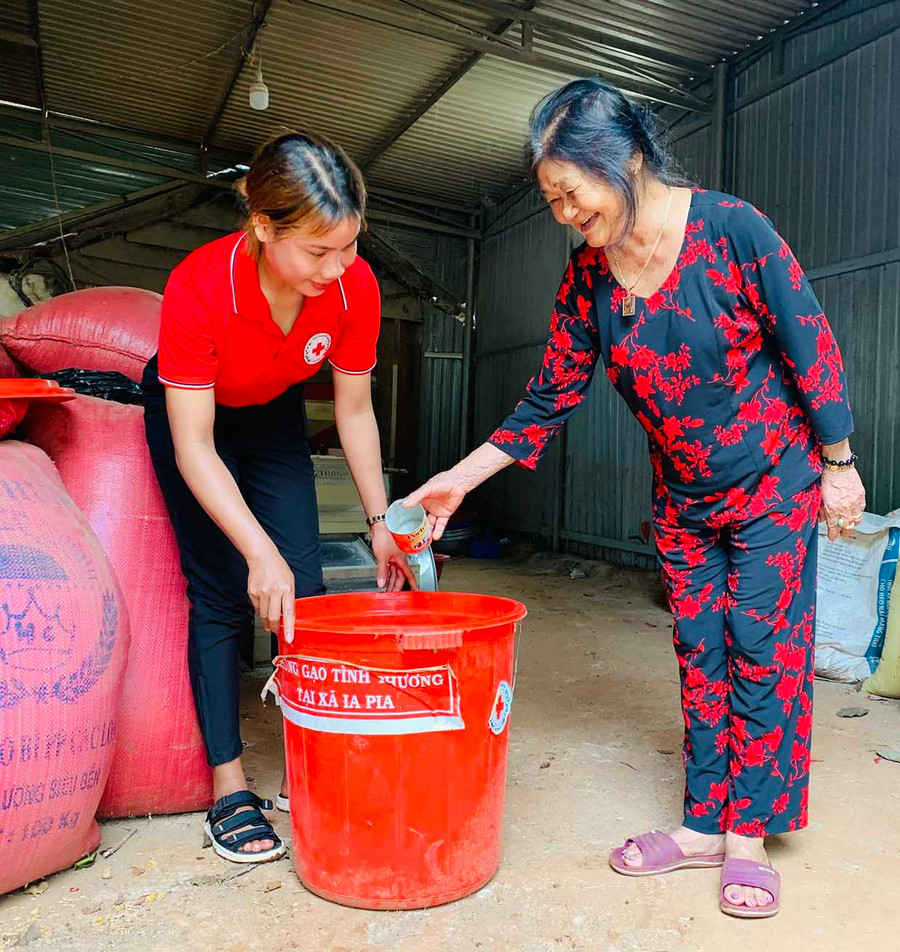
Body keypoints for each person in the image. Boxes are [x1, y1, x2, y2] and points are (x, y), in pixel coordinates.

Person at [405, 79, 866, 918]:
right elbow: (551, 393)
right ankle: (701, 824)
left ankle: (748, 837)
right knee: (700, 652)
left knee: (761, 646)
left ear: (623, 160)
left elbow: (811, 341)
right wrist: (458, 480)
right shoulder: (588, 277)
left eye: (569, 194)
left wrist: (839, 461)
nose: (563, 216)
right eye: (551, 201)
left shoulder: (732, 229)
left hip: (774, 482)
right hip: (684, 499)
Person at [143, 132, 413, 864]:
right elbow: (195, 444)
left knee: (311, 585)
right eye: (318, 252)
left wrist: (382, 523)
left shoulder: (353, 287)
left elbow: (354, 411)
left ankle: (312, 755)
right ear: (263, 227)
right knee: (226, 590)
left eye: (349, 247)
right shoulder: (202, 286)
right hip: (193, 415)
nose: (339, 268)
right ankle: (228, 786)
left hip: (270, 413)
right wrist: (255, 552)